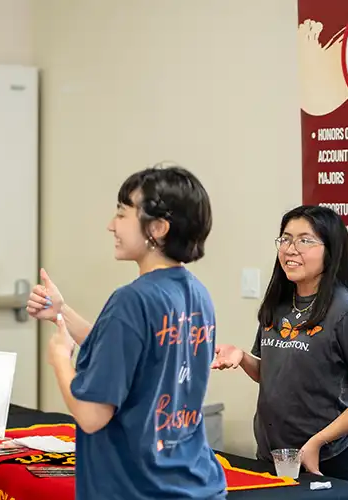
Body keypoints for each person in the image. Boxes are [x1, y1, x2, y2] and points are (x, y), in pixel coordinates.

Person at [27, 163, 227, 499]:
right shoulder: (195, 292)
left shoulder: (132, 300)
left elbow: (91, 416)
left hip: (138, 487)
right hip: (194, 483)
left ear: (159, 227)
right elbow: (128, 355)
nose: (111, 225)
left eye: (122, 213)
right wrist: (61, 313)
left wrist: (60, 359)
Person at [212, 205, 348, 481]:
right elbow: (273, 375)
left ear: (330, 250)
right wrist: (242, 356)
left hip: (324, 459)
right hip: (272, 455)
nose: (290, 249)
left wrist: (318, 441)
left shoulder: (347, 312)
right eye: (285, 238)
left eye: (305, 240)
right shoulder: (278, 304)